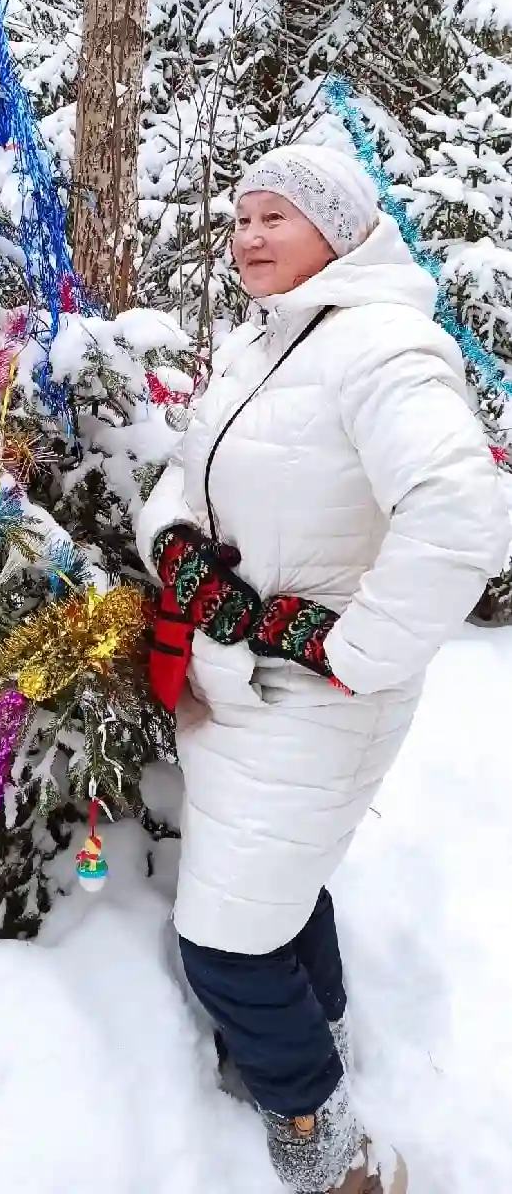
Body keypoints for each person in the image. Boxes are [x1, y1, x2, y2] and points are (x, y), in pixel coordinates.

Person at [136, 143, 510, 1194]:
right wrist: (173, 548)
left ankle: (328, 1152)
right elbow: (183, 473)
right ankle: (322, 1037)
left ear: (338, 233)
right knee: (273, 891)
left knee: (223, 945)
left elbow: (461, 511)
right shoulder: (262, 346)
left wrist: (346, 648)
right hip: (237, 690)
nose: (248, 235)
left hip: (310, 701)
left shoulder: (383, 347)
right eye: (241, 216)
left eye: (276, 218)